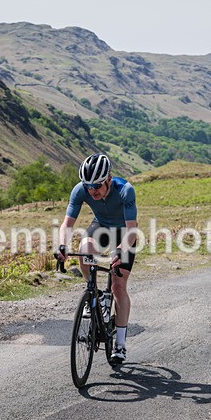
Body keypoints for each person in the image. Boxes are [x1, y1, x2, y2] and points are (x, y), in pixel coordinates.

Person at [56, 153, 137, 364]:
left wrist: (120, 251)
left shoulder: (125, 190)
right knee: (84, 251)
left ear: (108, 179)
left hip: (123, 234)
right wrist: (62, 246)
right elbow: (67, 224)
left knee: (118, 286)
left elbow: (132, 231)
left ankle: (119, 344)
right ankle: (94, 293)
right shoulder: (81, 190)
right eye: (88, 186)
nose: (92, 191)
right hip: (100, 227)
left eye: (98, 186)